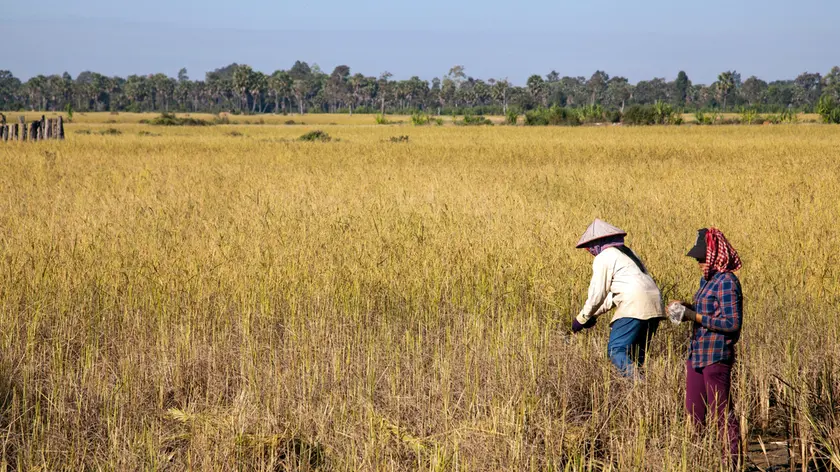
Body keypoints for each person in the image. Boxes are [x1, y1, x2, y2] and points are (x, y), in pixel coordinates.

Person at [668, 228, 743, 464]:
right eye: (698, 259)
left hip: (716, 356)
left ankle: (732, 462)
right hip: (697, 354)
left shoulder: (727, 281)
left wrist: (693, 316)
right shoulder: (707, 280)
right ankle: (696, 461)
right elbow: (705, 311)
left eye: (702, 258)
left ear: (716, 254)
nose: (699, 263)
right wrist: (685, 306)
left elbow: (732, 323)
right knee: (693, 414)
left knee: (722, 413)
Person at [572, 219, 665, 377]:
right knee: (635, 357)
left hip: (634, 305)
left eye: (590, 246)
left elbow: (597, 294)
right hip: (655, 306)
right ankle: (639, 392)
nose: (589, 250)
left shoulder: (604, 256)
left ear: (598, 242)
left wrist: (581, 319)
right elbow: (615, 295)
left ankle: (639, 384)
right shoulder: (628, 253)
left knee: (617, 351)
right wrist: (593, 315)